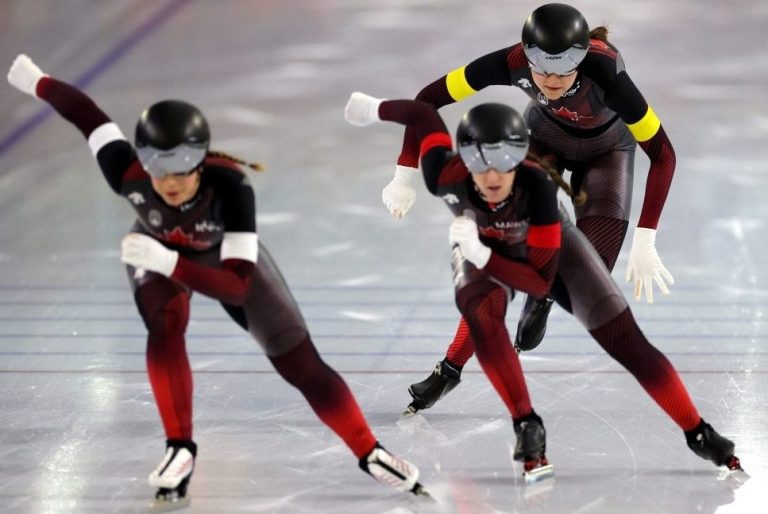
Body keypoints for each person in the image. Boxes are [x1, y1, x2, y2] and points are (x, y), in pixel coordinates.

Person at [7, 54, 429, 506]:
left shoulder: (230, 188)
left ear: (202, 161)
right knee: (164, 325)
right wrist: (39, 81)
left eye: (183, 165)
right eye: (157, 166)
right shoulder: (125, 171)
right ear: (142, 161)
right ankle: (179, 448)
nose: (170, 180)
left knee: (299, 361)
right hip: (157, 255)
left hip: (218, 264)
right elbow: (87, 116)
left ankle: (371, 452)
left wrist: (170, 263)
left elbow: (238, 287)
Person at [344, 91, 743, 476]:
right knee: (481, 312)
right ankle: (526, 423)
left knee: (626, 339)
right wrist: (374, 113)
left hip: (543, 252)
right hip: (484, 245)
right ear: (463, 161)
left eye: (507, 160)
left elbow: (539, 283)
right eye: (482, 163)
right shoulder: (444, 174)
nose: (495, 174)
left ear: (523, 157)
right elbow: (422, 114)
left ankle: (698, 431)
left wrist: (481, 254)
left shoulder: (537, 187)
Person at [379, 3, 679, 411]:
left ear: (582, 61)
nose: (552, 80)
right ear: (526, 57)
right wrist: (404, 173)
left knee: (586, 277)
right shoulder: (510, 62)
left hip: (608, 153)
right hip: (542, 141)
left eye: (564, 71)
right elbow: (425, 101)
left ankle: (545, 295)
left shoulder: (607, 74)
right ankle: (448, 369)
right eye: (542, 71)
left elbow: (662, 154)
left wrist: (647, 239)